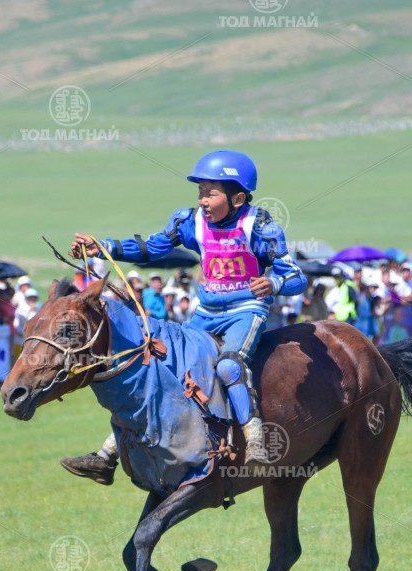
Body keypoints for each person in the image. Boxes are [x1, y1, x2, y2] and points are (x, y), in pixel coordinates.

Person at [61, 149, 307, 484]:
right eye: (200, 192)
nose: (203, 200)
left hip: (245, 311)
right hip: (205, 311)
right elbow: (152, 248)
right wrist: (103, 247)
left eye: (211, 193)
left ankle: (255, 443)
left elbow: (295, 277)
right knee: (162, 363)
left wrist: (274, 283)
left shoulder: (259, 226)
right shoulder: (190, 222)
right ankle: (106, 456)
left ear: (237, 198)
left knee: (228, 367)